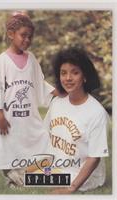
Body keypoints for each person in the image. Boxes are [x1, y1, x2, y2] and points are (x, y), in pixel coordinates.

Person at [0, 12, 56, 188]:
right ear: (11, 34)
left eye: (30, 36)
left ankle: (19, 177)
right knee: (10, 146)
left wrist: (55, 92)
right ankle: (11, 176)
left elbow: (39, 83)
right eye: (23, 35)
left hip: (28, 116)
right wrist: (0, 116)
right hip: (8, 118)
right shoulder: (1, 61)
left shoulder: (31, 59)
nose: (27, 40)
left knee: (44, 142)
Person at [44, 47, 109, 194]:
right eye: (63, 73)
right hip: (58, 167)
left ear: (84, 76)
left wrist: (71, 189)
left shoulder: (96, 113)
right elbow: (45, 135)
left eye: (75, 72)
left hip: (83, 175)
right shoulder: (57, 103)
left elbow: (95, 157)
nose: (68, 78)